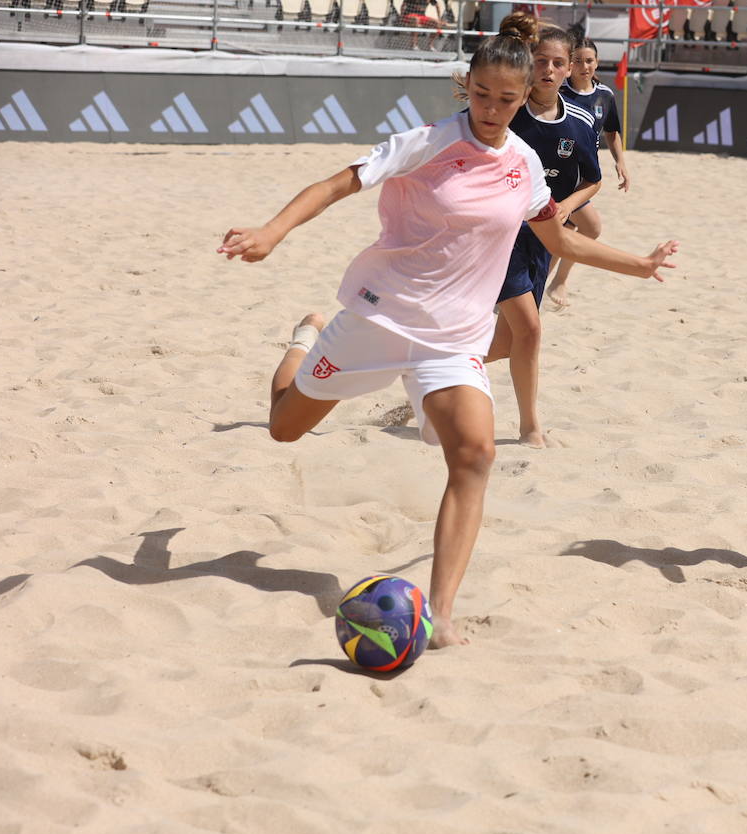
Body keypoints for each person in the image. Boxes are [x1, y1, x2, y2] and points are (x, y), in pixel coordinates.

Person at [217, 12, 678, 648]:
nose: (493, 108)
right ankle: (304, 339)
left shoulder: (523, 164)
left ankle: (439, 614)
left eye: (507, 99)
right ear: (467, 86)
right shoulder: (428, 141)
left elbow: (557, 236)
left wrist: (639, 264)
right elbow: (335, 184)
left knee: (475, 456)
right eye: (483, 94)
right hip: (379, 317)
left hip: (453, 339)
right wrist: (271, 231)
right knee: (283, 430)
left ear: (526, 98)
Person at [486, 23, 603, 448]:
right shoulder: (505, 109)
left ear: (571, 68)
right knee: (531, 331)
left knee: (504, 343)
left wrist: (566, 209)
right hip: (497, 237)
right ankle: (530, 429)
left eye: (558, 63)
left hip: (544, 239)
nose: (549, 70)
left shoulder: (580, 122)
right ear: (528, 63)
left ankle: (435, 368)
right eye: (541, 61)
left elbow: (592, 180)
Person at [547, 26, 631, 311]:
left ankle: (556, 280)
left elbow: (611, 133)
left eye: (590, 61)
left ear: (597, 63)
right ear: (570, 65)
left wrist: (620, 161)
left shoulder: (604, 95)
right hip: (559, 173)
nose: (585, 66)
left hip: (584, 175)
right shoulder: (558, 92)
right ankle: (548, 282)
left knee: (574, 229)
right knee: (580, 227)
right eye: (579, 61)